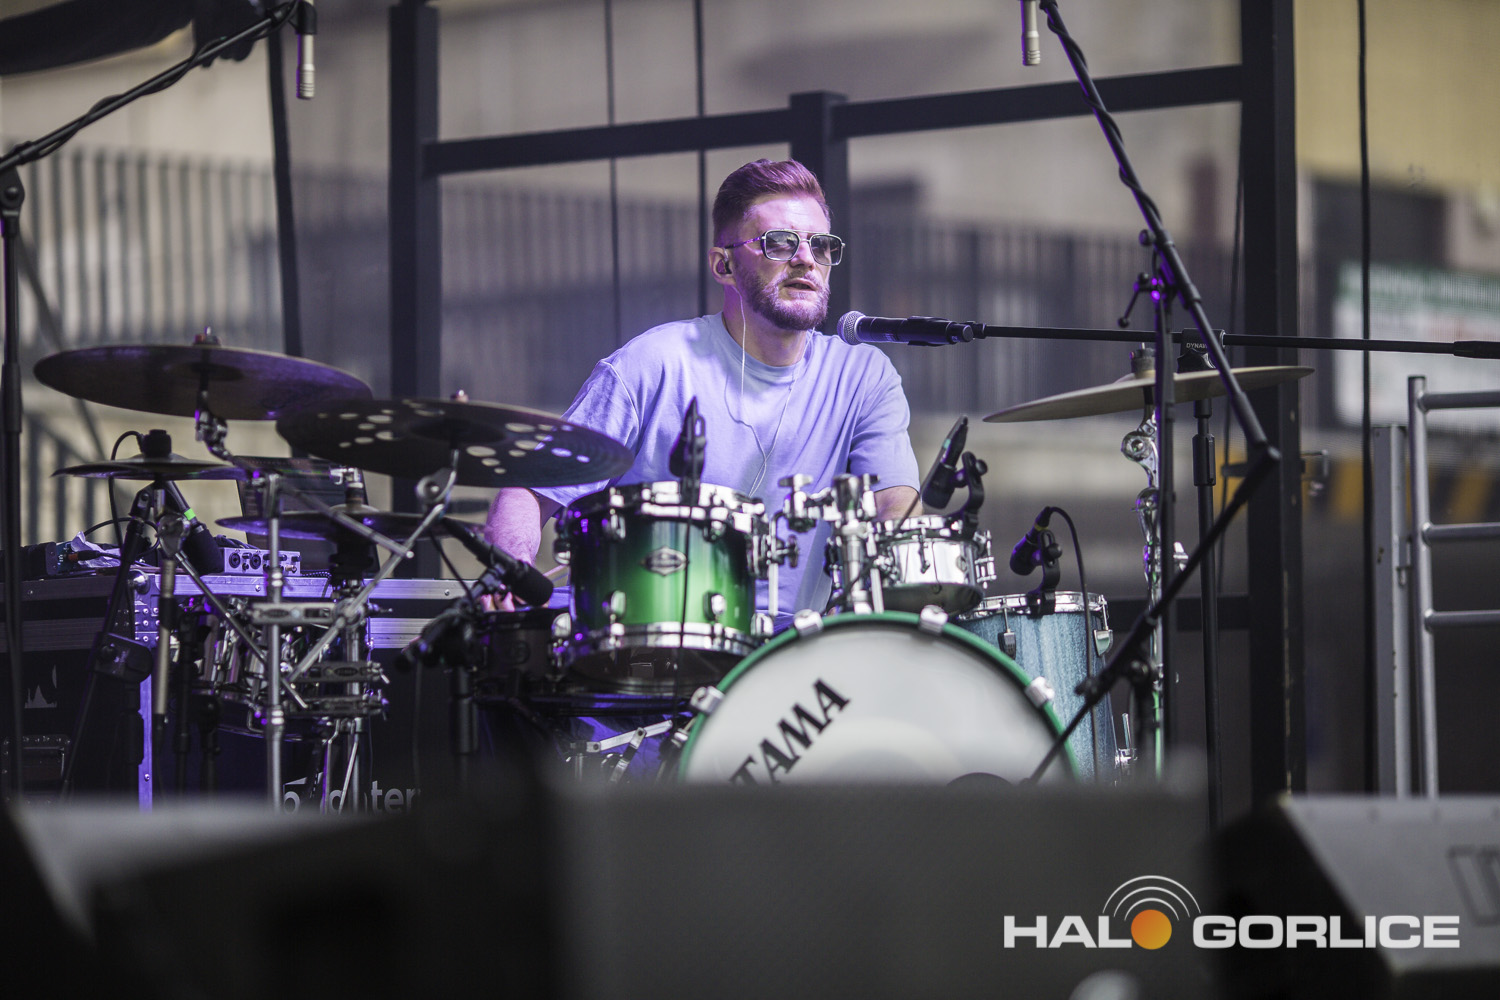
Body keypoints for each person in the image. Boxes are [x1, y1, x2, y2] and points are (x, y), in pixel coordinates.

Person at [485, 158, 919, 626]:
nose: (805, 259)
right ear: (723, 265)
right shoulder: (653, 363)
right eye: (779, 243)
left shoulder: (863, 376)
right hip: (652, 642)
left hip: (798, 653)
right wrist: (511, 571)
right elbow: (528, 491)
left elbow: (896, 509)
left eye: (820, 245)